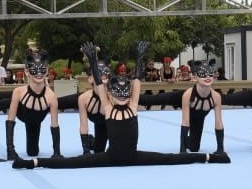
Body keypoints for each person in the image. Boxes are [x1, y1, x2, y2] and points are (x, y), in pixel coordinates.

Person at [13, 41, 230, 169]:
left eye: (126, 92)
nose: (123, 96)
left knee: (171, 159)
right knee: (73, 163)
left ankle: (210, 157)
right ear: (110, 94)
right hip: (110, 157)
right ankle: (33, 163)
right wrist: (92, 60)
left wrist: (139, 57)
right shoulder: (107, 107)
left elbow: (137, 82)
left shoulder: (133, 105)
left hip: (134, 157)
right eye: (118, 92)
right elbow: (100, 85)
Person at [4, 50, 61, 160]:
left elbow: (54, 124)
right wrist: (10, 150)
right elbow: (10, 119)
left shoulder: (51, 96)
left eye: (42, 69)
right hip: (23, 112)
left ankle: (6, 102)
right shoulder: (18, 92)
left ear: (47, 70)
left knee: (33, 152)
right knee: (4, 100)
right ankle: (5, 103)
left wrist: (56, 152)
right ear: (27, 71)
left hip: (37, 119)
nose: (39, 73)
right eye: (34, 70)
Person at [179, 59, 226, 155]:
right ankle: (184, 143)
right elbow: (185, 122)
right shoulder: (187, 94)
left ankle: (187, 141)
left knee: (194, 148)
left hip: (199, 116)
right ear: (194, 77)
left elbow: (219, 122)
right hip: (183, 98)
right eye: (203, 74)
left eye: (210, 74)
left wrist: (220, 148)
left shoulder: (216, 96)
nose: (207, 77)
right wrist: (182, 150)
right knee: (159, 98)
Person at [77, 52, 113, 154]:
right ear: (90, 79)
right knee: (97, 150)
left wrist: (114, 146)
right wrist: (86, 151)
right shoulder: (83, 98)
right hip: (93, 109)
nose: (103, 74)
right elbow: (83, 125)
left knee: (100, 151)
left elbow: (119, 125)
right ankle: (90, 140)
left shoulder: (114, 97)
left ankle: (93, 140)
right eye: (98, 72)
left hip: (107, 125)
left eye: (106, 71)